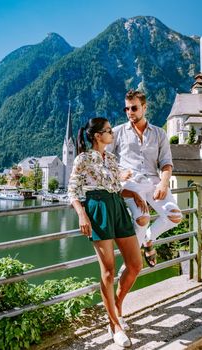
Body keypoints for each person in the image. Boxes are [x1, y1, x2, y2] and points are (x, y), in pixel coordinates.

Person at [68, 117, 146, 347]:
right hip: (97, 209)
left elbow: (115, 188)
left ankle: (117, 305)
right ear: (97, 136)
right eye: (108, 131)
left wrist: (132, 194)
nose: (112, 133)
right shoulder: (82, 159)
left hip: (117, 208)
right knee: (109, 271)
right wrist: (82, 214)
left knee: (135, 264)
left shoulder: (111, 159)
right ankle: (114, 325)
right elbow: (72, 190)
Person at [108, 90, 182, 268]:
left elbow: (166, 163)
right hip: (130, 184)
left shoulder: (159, 134)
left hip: (154, 183)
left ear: (144, 107)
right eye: (126, 109)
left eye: (134, 108)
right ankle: (130, 263)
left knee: (175, 216)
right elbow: (105, 161)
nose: (129, 112)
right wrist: (118, 174)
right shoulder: (117, 132)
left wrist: (164, 184)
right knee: (142, 218)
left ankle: (148, 240)